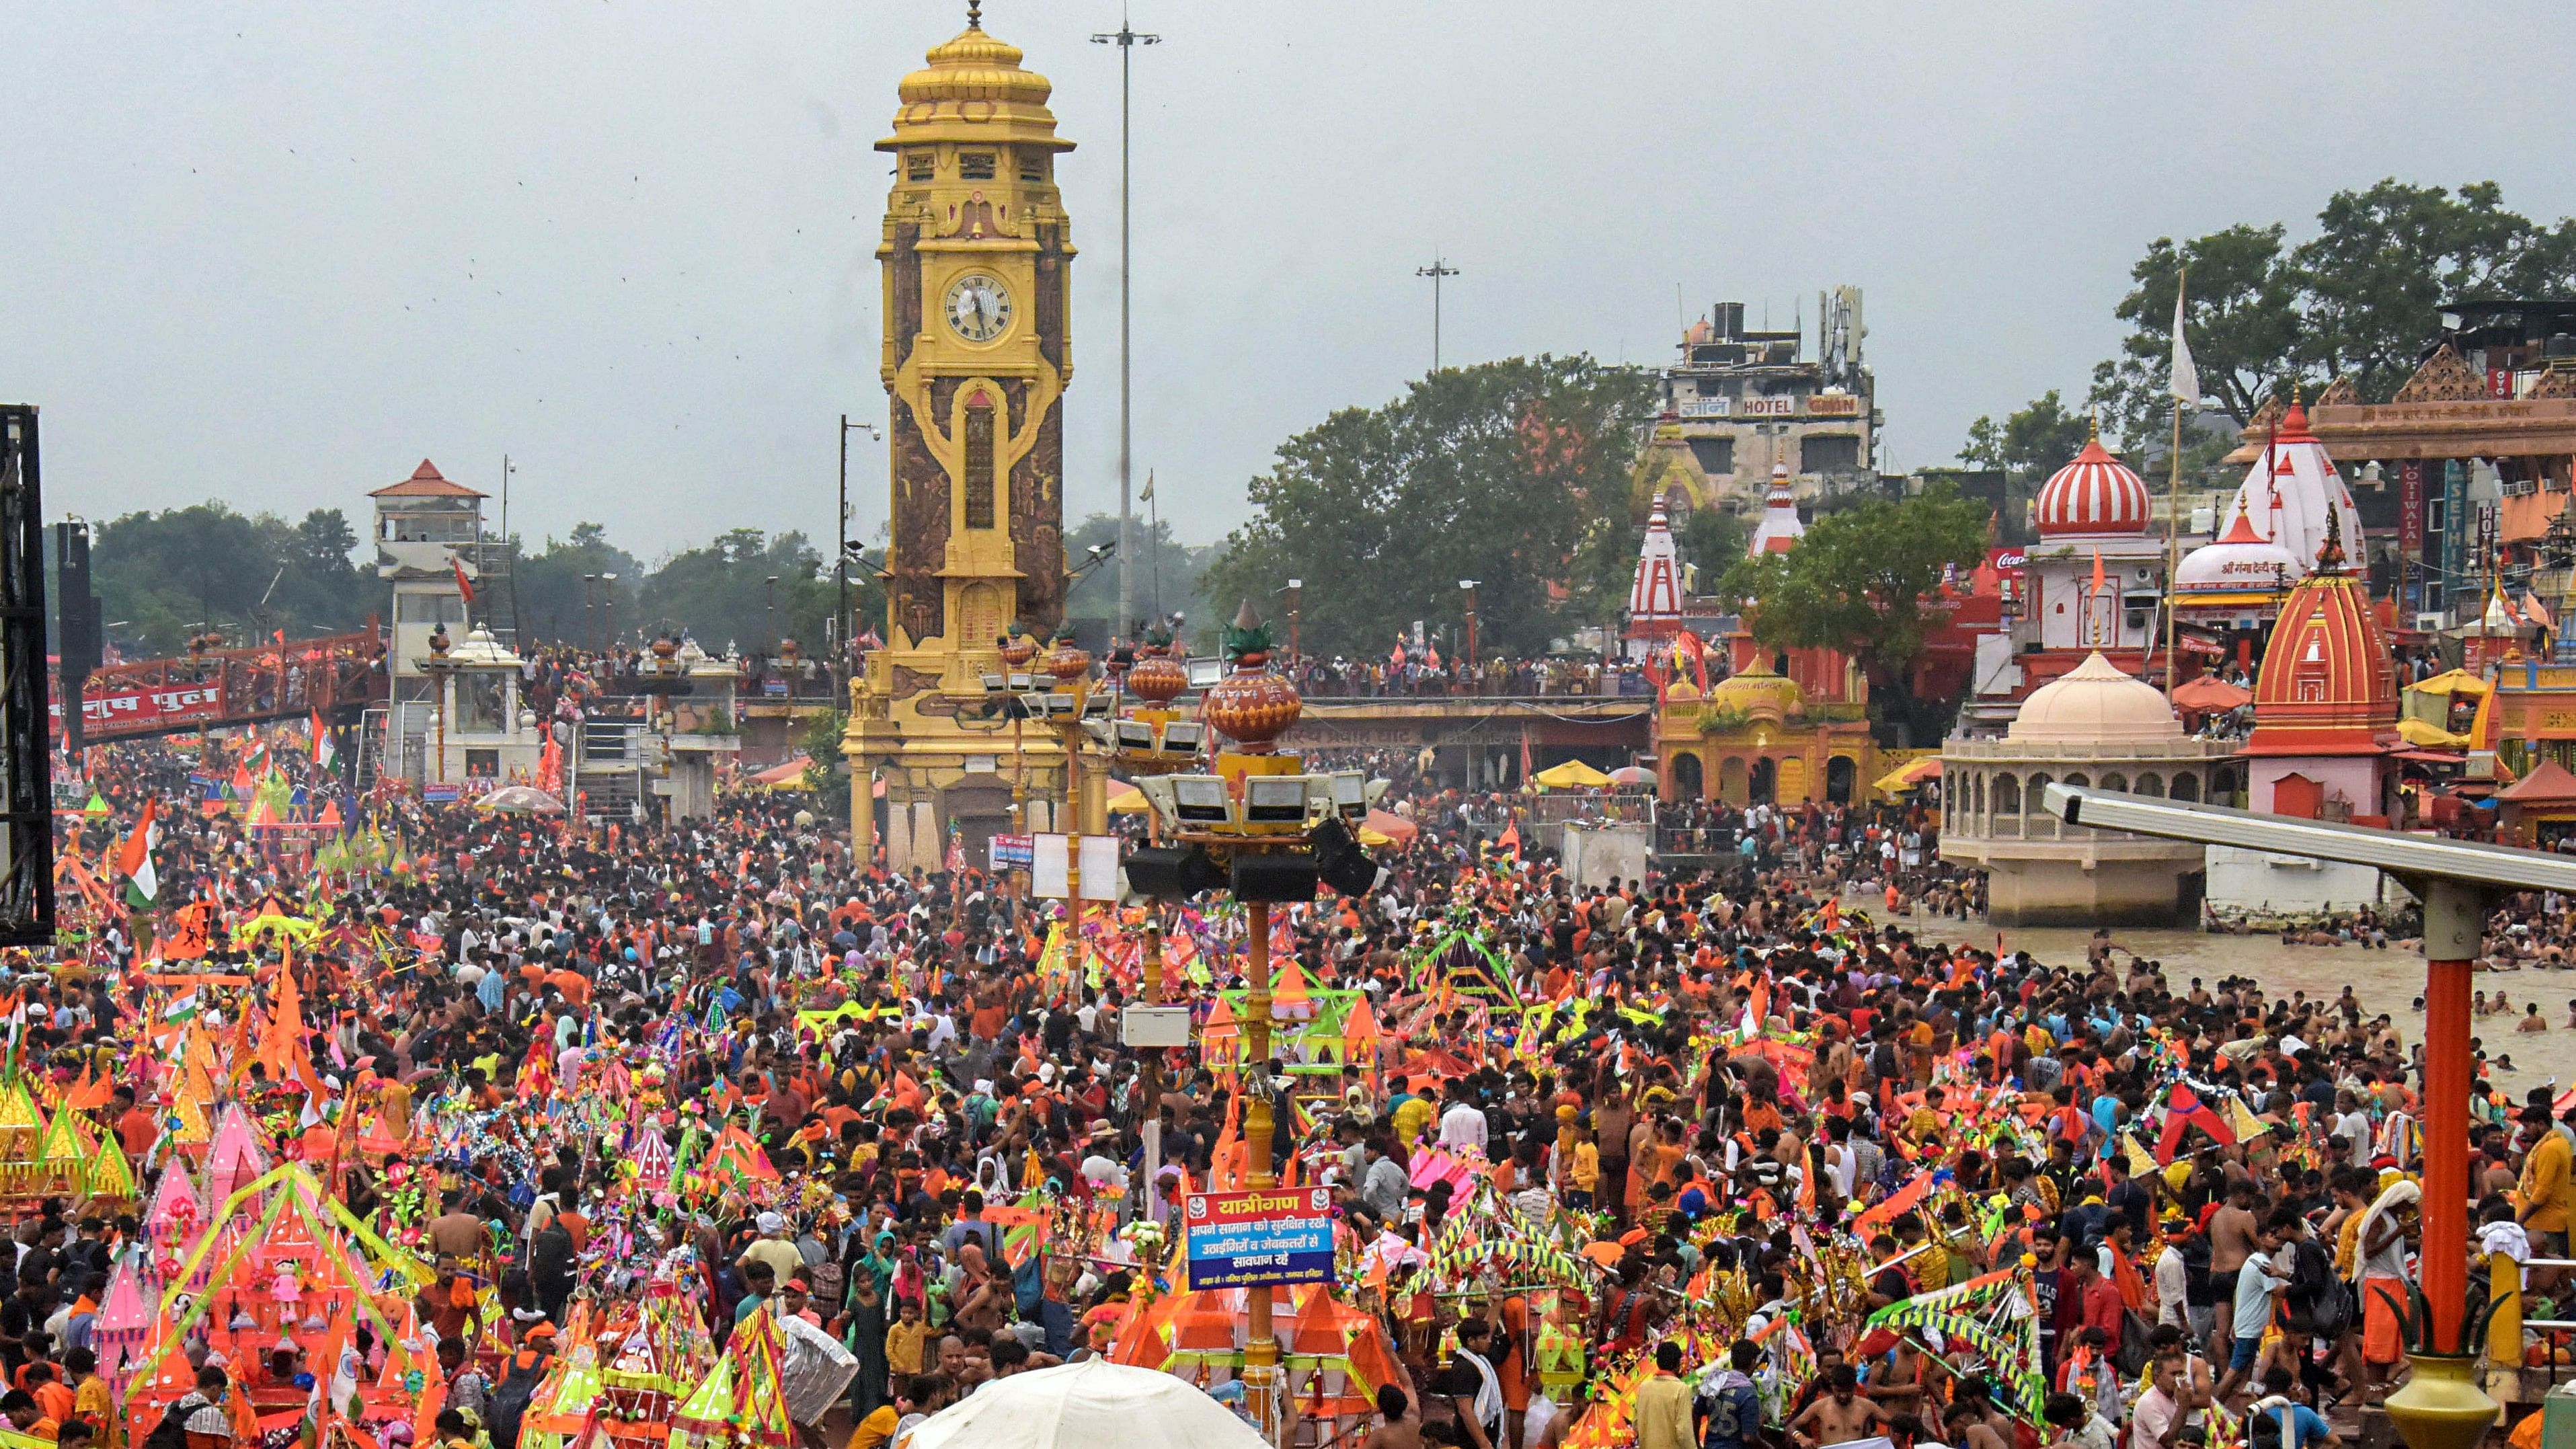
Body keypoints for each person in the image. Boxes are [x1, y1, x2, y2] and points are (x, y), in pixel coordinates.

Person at [1789, 1365, 1891, 1449]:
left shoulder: (1866, 1406)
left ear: (1855, 1387)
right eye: (1839, 1391)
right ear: (1832, 1386)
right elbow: (1791, 1426)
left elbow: (1896, 1423)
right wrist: (1801, 1438)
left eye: (1848, 1391)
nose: (1843, 1396)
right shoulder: (1820, 1407)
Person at [1442, 1317, 1506, 1449]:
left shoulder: (1479, 1361)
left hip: (1485, 1433)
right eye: (1484, 1338)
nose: (1489, 1341)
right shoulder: (1464, 1368)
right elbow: (1465, 1410)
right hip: (1471, 1440)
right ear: (1471, 1341)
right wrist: (1484, 1443)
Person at [1631, 1341, 1692, 1449]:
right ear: (1678, 1364)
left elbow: (1636, 1425)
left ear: (1658, 1362)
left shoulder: (1644, 1388)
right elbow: (1684, 1432)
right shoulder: (1681, 1390)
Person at [1360, 1386, 1424, 1449]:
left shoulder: (1380, 1435)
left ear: (1380, 1407)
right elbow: (1408, 1385)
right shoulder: (1415, 1420)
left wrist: (1354, 1426)